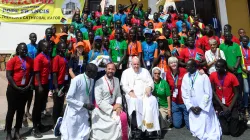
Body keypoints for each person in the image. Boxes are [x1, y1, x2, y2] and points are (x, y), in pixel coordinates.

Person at [181, 59, 222, 139]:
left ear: (194, 67)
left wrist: (201, 107)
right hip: (192, 107)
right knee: (195, 127)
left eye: (188, 66)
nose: (186, 67)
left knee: (207, 127)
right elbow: (184, 93)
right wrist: (191, 107)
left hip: (203, 108)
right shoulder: (186, 76)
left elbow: (208, 93)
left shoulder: (203, 76)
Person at [120, 57, 160, 138]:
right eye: (134, 64)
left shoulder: (144, 71)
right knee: (135, 102)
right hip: (132, 95)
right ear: (131, 64)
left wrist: (149, 87)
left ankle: (150, 129)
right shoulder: (126, 72)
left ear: (140, 64)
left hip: (145, 94)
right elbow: (123, 85)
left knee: (152, 100)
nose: (136, 66)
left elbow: (150, 82)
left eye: (138, 64)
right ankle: (139, 128)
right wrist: (130, 92)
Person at [56, 63, 98, 140]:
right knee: (71, 135)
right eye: (95, 72)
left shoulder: (92, 80)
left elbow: (89, 94)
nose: (96, 74)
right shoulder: (76, 80)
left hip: (84, 112)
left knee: (83, 133)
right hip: (74, 111)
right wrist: (84, 105)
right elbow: (68, 98)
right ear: (88, 71)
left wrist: (90, 105)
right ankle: (61, 123)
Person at [91, 63, 128, 140]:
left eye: (112, 69)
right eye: (109, 69)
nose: (110, 71)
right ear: (105, 69)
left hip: (114, 107)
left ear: (115, 70)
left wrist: (118, 105)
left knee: (121, 118)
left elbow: (118, 95)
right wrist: (112, 108)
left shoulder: (117, 80)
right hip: (101, 110)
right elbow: (99, 101)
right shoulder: (99, 81)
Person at [210, 59, 246, 137]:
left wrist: (229, 108)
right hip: (220, 105)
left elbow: (237, 93)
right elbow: (213, 91)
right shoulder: (213, 75)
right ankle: (226, 118)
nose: (217, 69)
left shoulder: (232, 77)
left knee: (234, 133)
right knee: (225, 132)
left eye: (219, 67)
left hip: (231, 105)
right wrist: (222, 106)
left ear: (225, 67)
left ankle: (241, 122)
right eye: (216, 67)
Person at [5, 43, 33, 140]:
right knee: (11, 111)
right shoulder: (12, 61)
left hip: (24, 89)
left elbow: (32, 73)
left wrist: (29, 85)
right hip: (13, 90)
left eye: (25, 49)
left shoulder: (30, 60)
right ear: (18, 50)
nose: (24, 50)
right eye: (21, 49)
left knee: (20, 112)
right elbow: (8, 75)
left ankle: (17, 131)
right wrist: (16, 87)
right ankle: (8, 133)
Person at [32, 40, 51, 138]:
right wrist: (39, 85)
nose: (49, 48)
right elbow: (37, 72)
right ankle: (35, 128)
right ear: (42, 47)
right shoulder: (38, 58)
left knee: (42, 105)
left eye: (49, 46)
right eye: (47, 47)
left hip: (46, 83)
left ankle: (40, 124)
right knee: (37, 106)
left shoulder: (47, 55)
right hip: (40, 84)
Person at [219, 31, 243, 111]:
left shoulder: (236, 45)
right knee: (230, 91)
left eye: (229, 36)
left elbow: (239, 57)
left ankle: (240, 108)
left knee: (239, 90)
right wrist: (230, 68)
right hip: (228, 72)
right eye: (226, 36)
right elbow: (222, 58)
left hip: (237, 71)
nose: (228, 37)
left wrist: (235, 67)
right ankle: (233, 107)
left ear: (231, 36)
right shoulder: (221, 46)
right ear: (224, 37)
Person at [166, 56, 189, 129]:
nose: (173, 64)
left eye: (175, 62)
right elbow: (168, 86)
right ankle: (180, 116)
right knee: (177, 125)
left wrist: (200, 71)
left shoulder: (184, 71)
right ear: (169, 64)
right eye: (171, 63)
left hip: (184, 100)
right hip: (175, 101)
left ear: (177, 63)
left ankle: (186, 116)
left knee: (190, 127)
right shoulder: (168, 73)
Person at [52, 42, 69, 127]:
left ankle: (59, 120)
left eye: (65, 48)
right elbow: (54, 73)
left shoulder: (64, 57)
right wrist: (56, 88)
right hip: (58, 85)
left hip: (63, 83)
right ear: (58, 48)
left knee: (61, 103)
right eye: (62, 48)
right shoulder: (56, 58)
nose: (64, 49)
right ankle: (55, 122)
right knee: (56, 104)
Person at [24, 33, 37, 121]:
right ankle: (22, 112)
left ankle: (27, 111)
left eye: (35, 37)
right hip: (27, 72)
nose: (34, 38)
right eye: (32, 37)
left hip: (35, 72)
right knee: (24, 93)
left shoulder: (38, 46)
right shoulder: (27, 47)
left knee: (31, 94)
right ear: (29, 38)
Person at [240, 36, 250, 115]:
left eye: (246, 41)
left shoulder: (249, 48)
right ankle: (245, 107)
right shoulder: (239, 49)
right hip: (244, 73)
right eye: (244, 41)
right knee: (246, 91)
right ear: (241, 41)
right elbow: (238, 60)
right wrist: (244, 70)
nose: (245, 43)